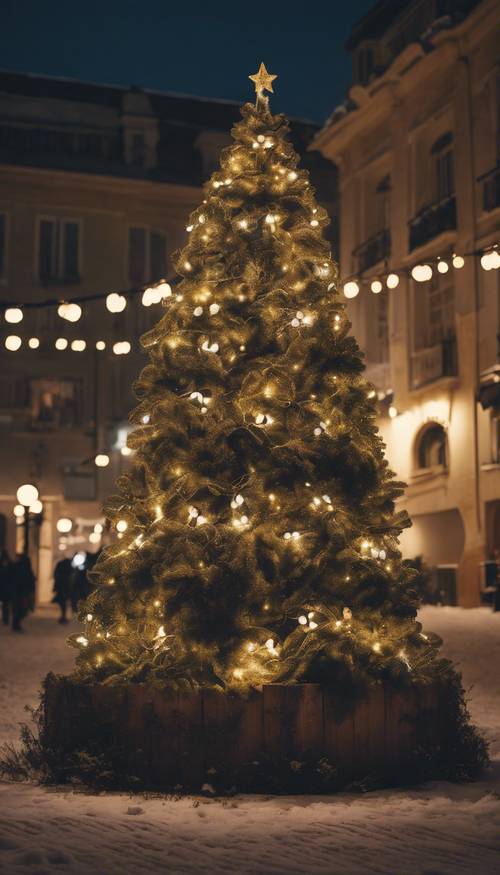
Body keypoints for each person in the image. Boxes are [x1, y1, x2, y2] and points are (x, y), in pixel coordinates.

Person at [10, 553, 35, 632]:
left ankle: (16, 624)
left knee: (18, 609)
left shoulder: (16, 566)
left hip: (18, 592)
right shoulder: (24, 568)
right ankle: (16, 624)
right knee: (20, 609)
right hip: (21, 592)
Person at [52, 557, 73, 623]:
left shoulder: (61, 565)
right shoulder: (69, 566)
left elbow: (55, 574)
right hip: (65, 587)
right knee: (64, 602)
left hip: (61, 587)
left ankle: (63, 616)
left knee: (62, 603)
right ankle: (64, 616)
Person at [0, 548, 12, 626]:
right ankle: (5, 618)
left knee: (6, 605)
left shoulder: (9, 565)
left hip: (5, 588)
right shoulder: (9, 565)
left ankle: (5, 618)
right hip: (5, 588)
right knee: (5, 604)